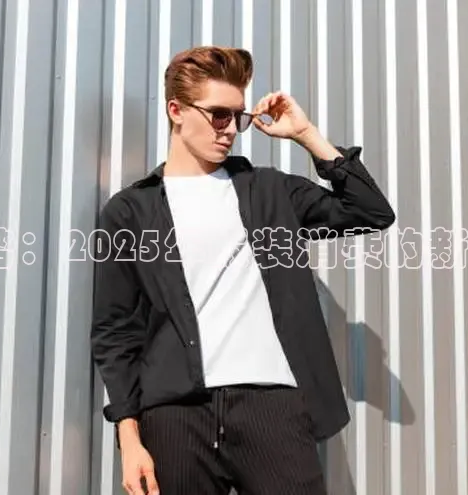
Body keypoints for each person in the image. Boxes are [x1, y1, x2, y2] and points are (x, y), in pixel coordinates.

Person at [90, 45, 395, 495]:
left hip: (273, 407)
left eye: (239, 117)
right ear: (176, 111)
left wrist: (307, 134)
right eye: (219, 115)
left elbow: (370, 212)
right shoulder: (130, 212)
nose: (231, 129)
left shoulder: (270, 191)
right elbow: (115, 332)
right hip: (175, 416)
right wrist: (129, 438)